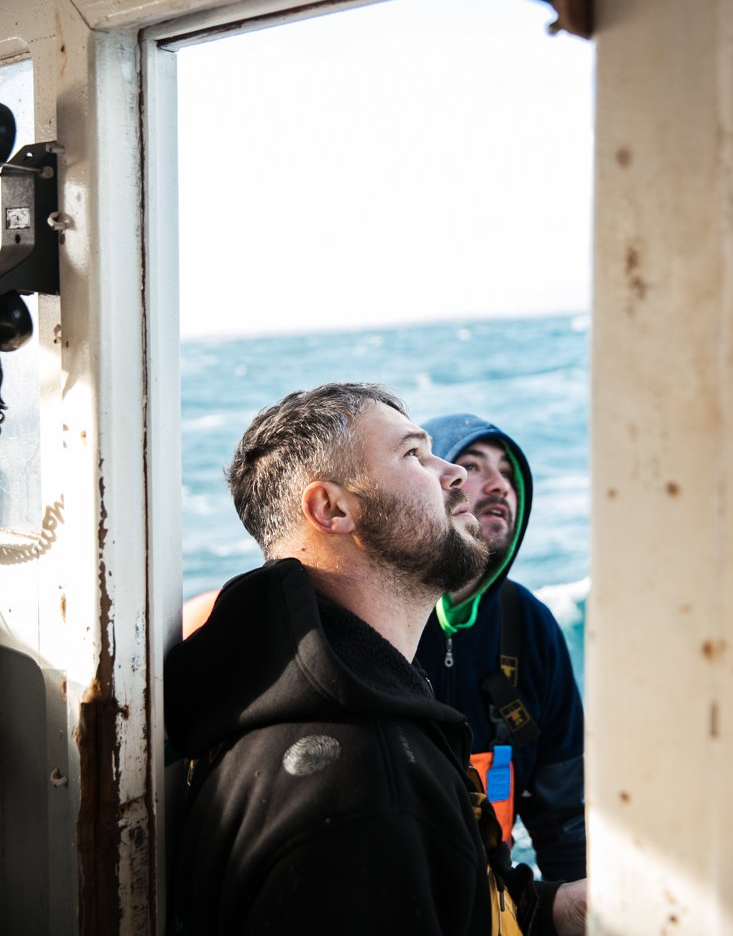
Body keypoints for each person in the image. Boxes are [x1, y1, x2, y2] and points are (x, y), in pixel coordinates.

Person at [165, 384, 585, 935]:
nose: (454, 474)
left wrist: (558, 910)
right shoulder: (369, 790)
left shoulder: (294, 701)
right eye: (414, 454)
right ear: (332, 508)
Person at [415, 413, 586, 884]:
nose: (499, 485)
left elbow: (564, 817)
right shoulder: (375, 614)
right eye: (472, 466)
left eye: (509, 474)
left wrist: (573, 906)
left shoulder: (531, 624)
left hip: (496, 896)